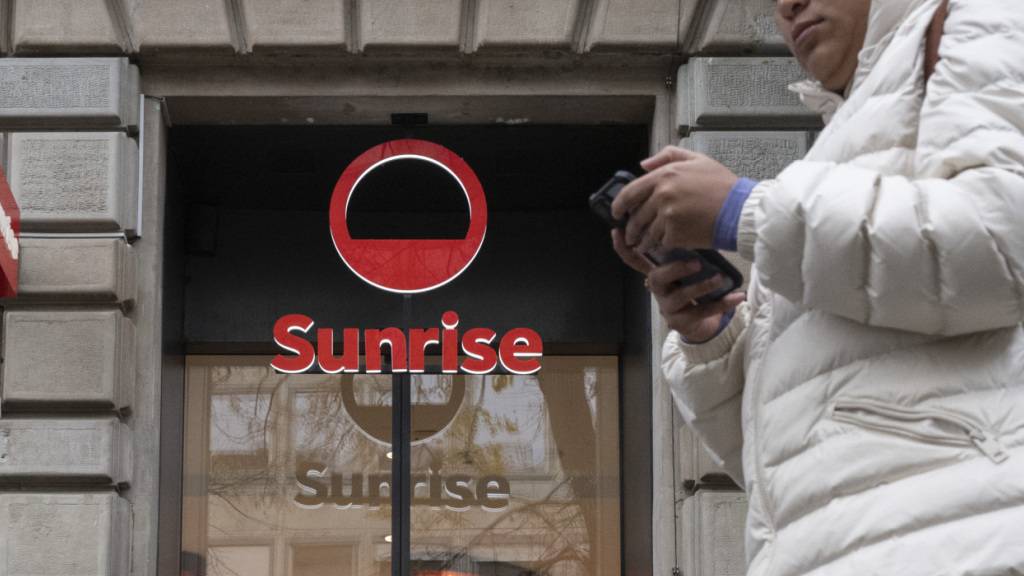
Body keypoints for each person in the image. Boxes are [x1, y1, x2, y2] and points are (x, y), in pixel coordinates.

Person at [610, 0, 1024, 574]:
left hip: (960, 543)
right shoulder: (842, 140)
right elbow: (778, 465)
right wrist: (715, 336)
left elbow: (999, 241)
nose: (787, 6)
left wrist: (742, 212)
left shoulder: (982, 17)